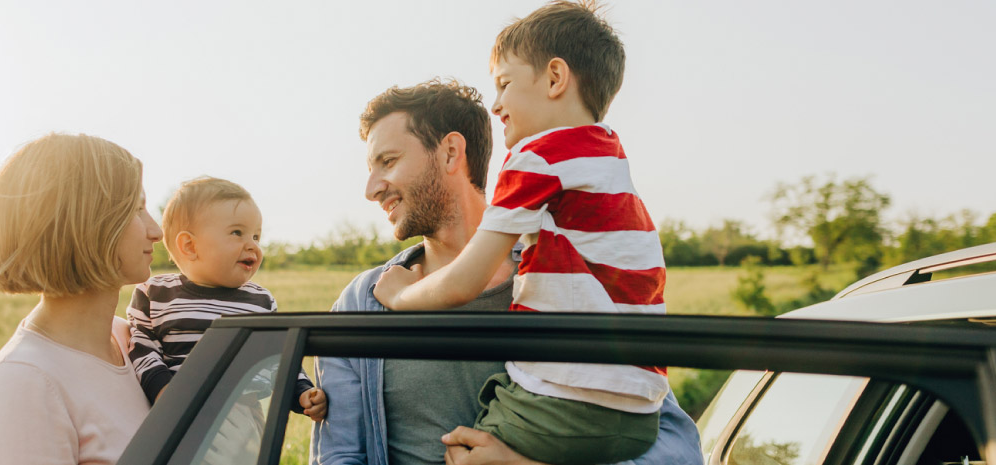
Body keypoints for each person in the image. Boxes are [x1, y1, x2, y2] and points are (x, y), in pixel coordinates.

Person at [312, 79, 700, 465]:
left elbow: (675, 446)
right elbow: (339, 456)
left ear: (450, 152)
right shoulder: (360, 302)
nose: (371, 188)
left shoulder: (571, 279)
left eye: (388, 161)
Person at [371, 2, 670, 463]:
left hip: (566, 397)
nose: (497, 105)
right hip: (639, 410)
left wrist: (399, 296)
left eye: (505, 84)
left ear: (555, 78)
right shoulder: (609, 157)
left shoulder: (537, 158)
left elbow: (463, 281)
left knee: (463, 451)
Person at [0, 133, 161, 464]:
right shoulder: (25, 382)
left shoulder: (133, 339)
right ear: (87, 223)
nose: (156, 231)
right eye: (136, 209)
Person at [125, 176, 327, 420]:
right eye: (237, 233)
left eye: (256, 236)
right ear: (189, 246)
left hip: (243, 414)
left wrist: (302, 392)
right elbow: (142, 346)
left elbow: (279, 356)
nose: (252, 245)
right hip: (179, 411)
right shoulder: (156, 293)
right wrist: (162, 389)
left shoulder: (260, 300)